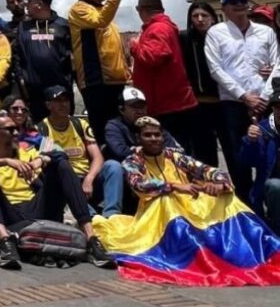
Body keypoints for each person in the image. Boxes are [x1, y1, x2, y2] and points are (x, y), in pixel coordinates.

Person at [94, 117, 252, 281]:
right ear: (138, 138)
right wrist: (174, 186)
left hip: (188, 206)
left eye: (157, 135)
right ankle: (194, 258)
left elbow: (207, 170)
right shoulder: (132, 161)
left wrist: (219, 183)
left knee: (225, 196)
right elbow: (138, 184)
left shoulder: (175, 157)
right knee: (166, 199)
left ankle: (239, 248)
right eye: (148, 135)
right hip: (156, 214)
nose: (154, 139)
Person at [0, 111, 116, 270]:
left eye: (17, 128)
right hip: (8, 213)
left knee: (61, 164)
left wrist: (40, 160)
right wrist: (7, 161)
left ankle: (91, 240)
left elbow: (59, 153)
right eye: (10, 129)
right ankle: (5, 241)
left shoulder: (27, 151)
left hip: (35, 207)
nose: (16, 133)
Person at [206, 0, 278, 202]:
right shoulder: (216, 33)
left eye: (243, 0)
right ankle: (246, 205)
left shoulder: (266, 32)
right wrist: (243, 95)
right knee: (238, 158)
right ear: (224, 8)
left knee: (270, 154)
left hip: (265, 102)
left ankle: (271, 203)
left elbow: (277, 64)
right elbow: (215, 69)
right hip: (233, 103)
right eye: (233, 2)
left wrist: (264, 96)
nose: (239, 5)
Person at [37, 86, 123, 218]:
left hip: (88, 178)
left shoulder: (80, 124)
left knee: (113, 166)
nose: (63, 104)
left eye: (66, 100)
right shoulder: (42, 129)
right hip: (65, 182)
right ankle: (90, 217)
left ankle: (112, 215)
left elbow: (98, 157)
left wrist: (89, 179)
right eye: (58, 100)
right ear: (48, 105)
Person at [130, 0, 199, 152]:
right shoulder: (164, 26)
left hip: (168, 104)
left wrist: (134, 45)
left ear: (143, 10)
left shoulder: (157, 28)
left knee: (174, 152)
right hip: (172, 101)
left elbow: (153, 57)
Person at [69, 0, 128, 146]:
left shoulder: (104, 10)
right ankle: (105, 159)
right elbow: (100, 21)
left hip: (116, 80)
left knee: (120, 128)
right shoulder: (79, 9)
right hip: (96, 80)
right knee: (104, 128)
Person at [13, 0, 72, 121]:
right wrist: (21, 77)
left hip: (60, 88)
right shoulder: (23, 27)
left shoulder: (63, 25)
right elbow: (17, 55)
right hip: (34, 90)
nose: (25, 4)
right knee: (39, 127)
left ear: (39, 3)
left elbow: (74, 53)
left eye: (29, 1)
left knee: (62, 123)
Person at [179, 2, 223, 165]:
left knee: (232, 149)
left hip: (224, 101)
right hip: (198, 104)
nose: (200, 19)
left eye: (204, 15)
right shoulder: (185, 39)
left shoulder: (223, 37)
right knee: (204, 152)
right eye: (195, 16)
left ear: (213, 18)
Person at [239, 86, 280, 233]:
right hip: (273, 190)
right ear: (273, 108)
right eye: (278, 107)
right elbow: (246, 162)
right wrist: (251, 141)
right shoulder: (262, 129)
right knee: (276, 186)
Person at [104, 86, 180, 162]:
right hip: (126, 165)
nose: (140, 111)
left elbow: (174, 149)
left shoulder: (153, 124)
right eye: (134, 107)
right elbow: (120, 152)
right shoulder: (114, 126)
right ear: (122, 110)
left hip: (156, 165)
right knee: (113, 164)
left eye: (142, 107)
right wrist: (146, 151)